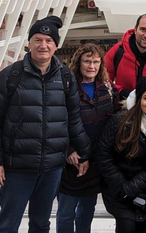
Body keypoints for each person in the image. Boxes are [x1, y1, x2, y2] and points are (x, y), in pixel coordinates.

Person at [0, 15, 91, 233]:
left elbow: (73, 118)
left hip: (52, 167)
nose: (43, 45)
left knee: (41, 223)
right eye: (38, 40)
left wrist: (84, 153)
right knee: (8, 223)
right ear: (29, 44)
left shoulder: (65, 77)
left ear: (56, 46)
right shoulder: (10, 76)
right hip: (16, 167)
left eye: (49, 41)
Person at [99, 77, 146, 233]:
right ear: (139, 99)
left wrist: (133, 187)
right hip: (118, 189)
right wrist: (123, 188)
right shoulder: (119, 121)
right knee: (127, 227)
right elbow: (104, 156)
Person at [56, 44, 117, 233]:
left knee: (87, 211)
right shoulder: (67, 88)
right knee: (66, 212)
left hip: (95, 161)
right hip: (72, 163)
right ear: (78, 63)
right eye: (87, 61)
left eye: (96, 62)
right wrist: (69, 150)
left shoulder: (107, 88)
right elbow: (57, 122)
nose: (92, 66)